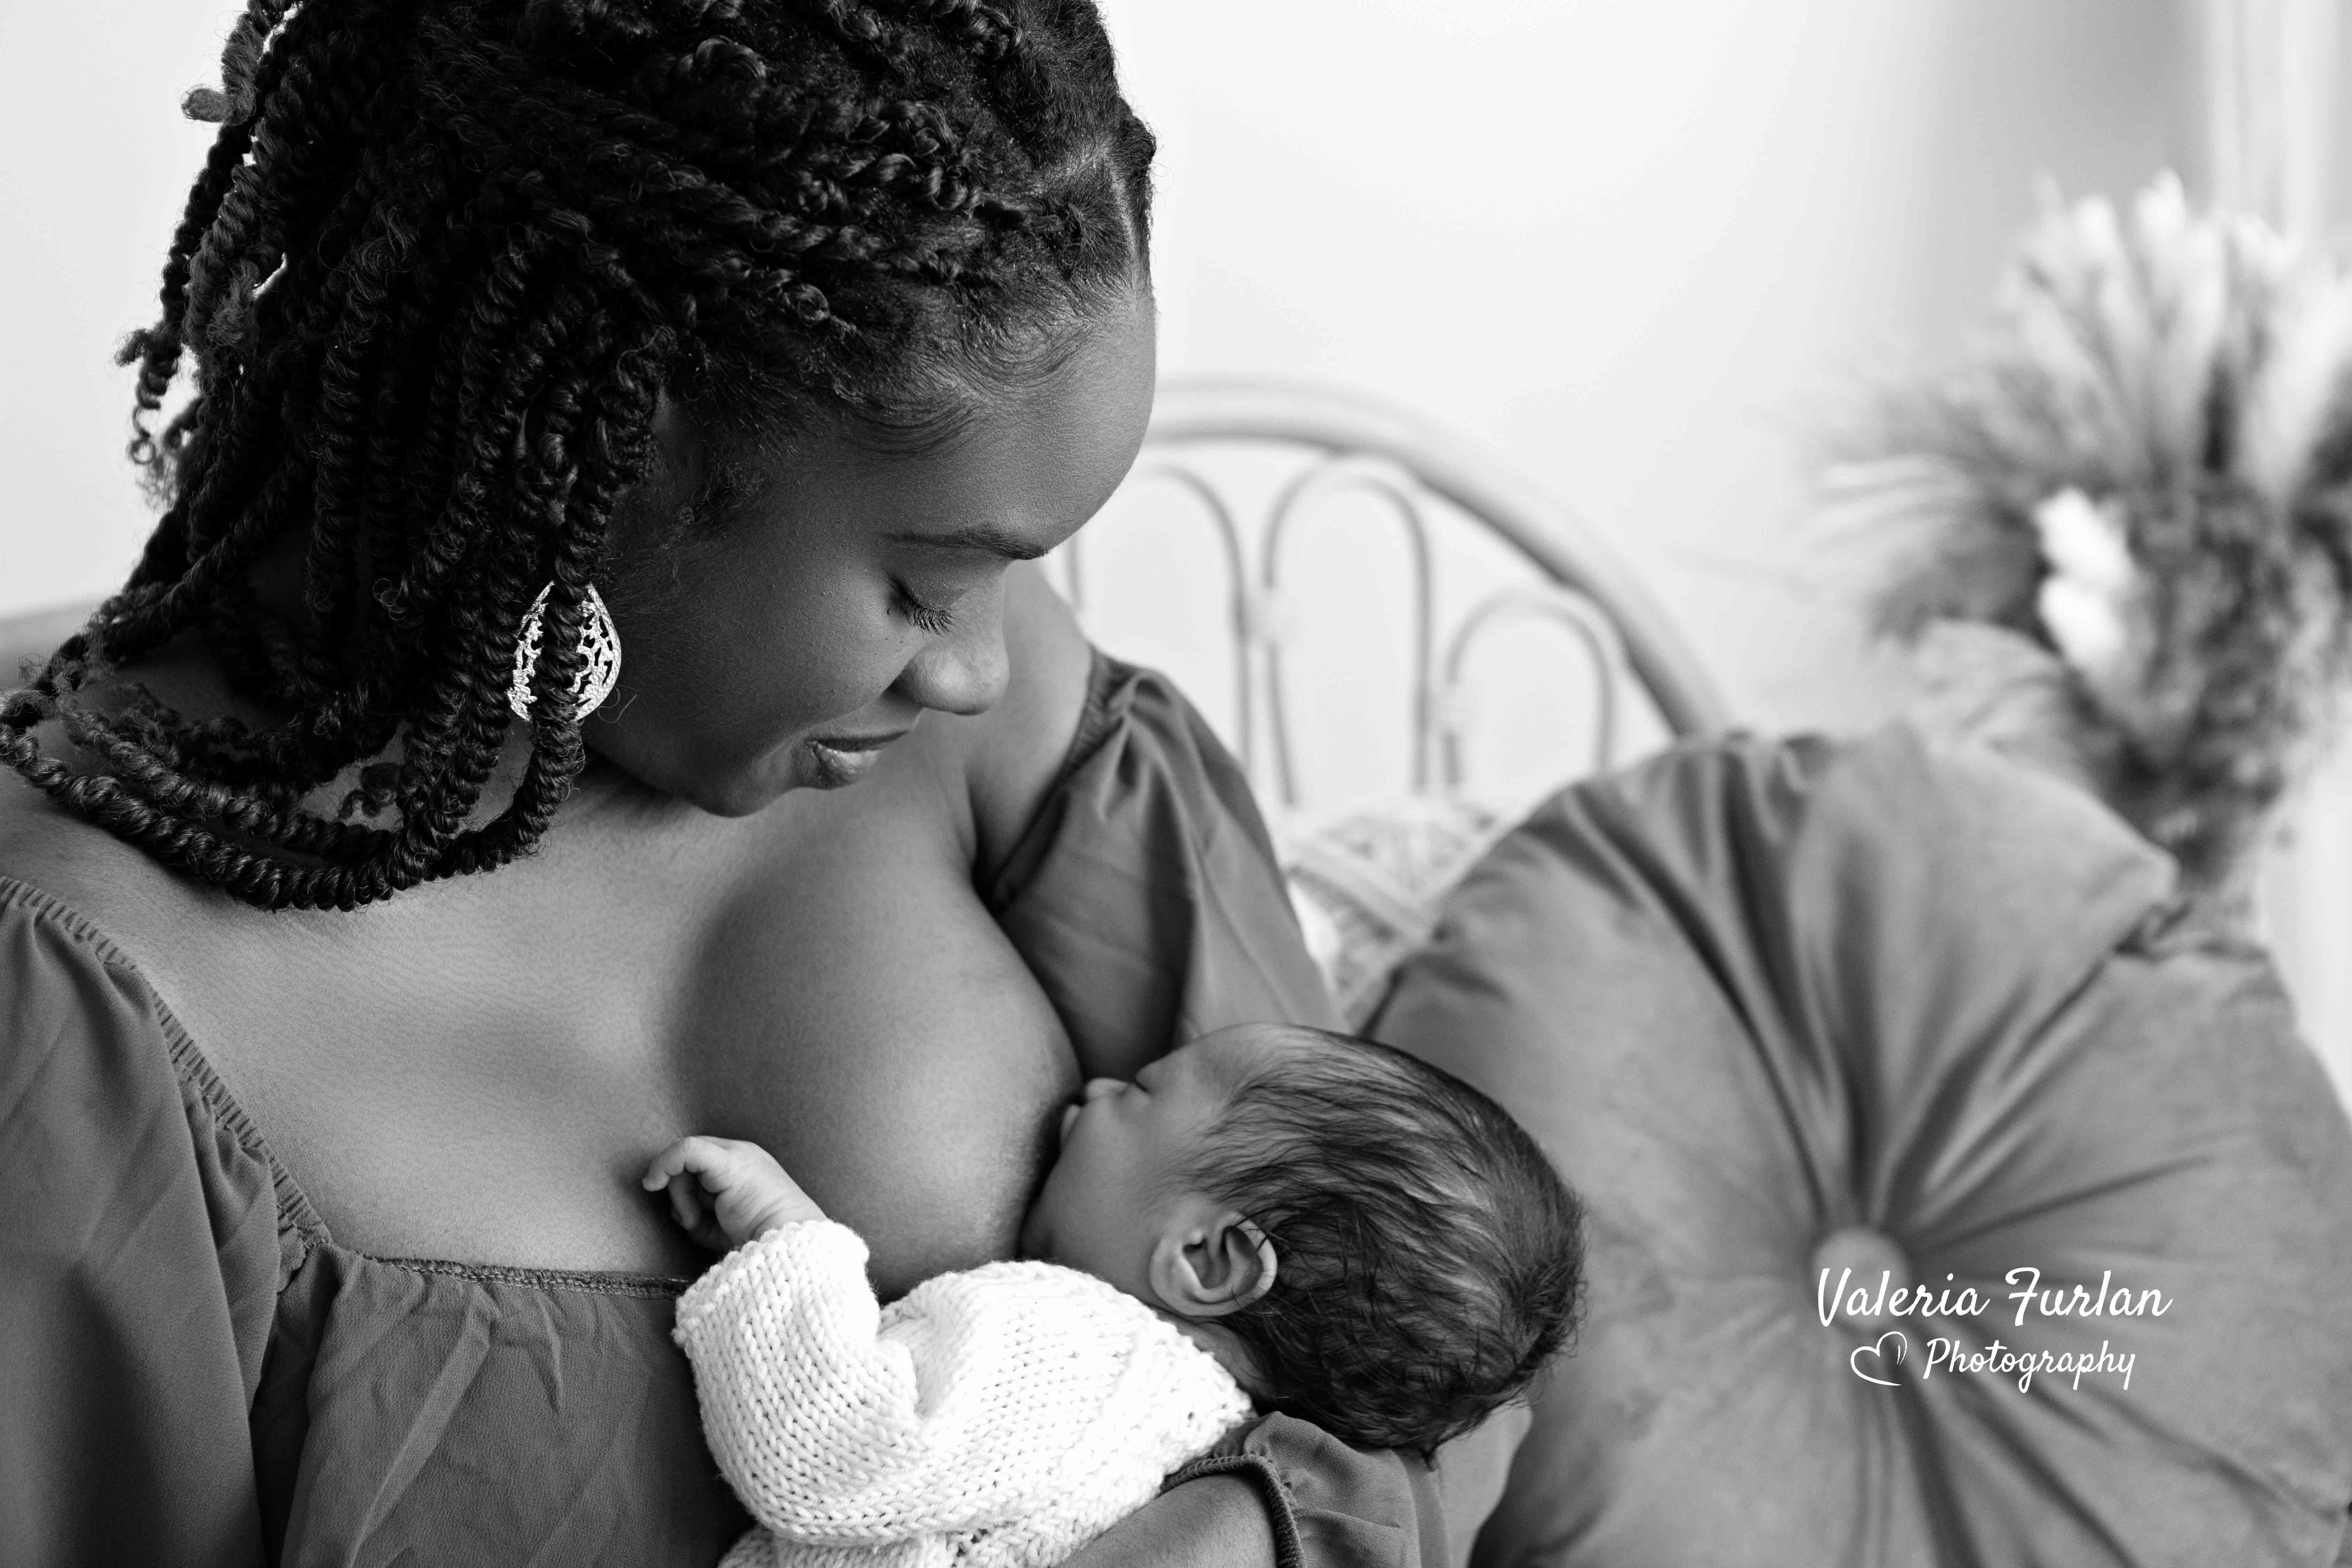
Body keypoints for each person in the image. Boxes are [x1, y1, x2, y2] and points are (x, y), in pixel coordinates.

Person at [0, 1, 1517, 1563]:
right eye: (928, 584)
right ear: (616, 449)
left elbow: (1412, 1366)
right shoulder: (86, 999)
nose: (980, 666)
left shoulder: (1008, 742)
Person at [643, 1024, 1584, 1568]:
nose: (1090, 1088)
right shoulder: (1197, 1444)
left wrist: (785, 1240)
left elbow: (834, 1456)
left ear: (1207, 1259)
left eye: (1140, 1091)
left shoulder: (1085, 1347)